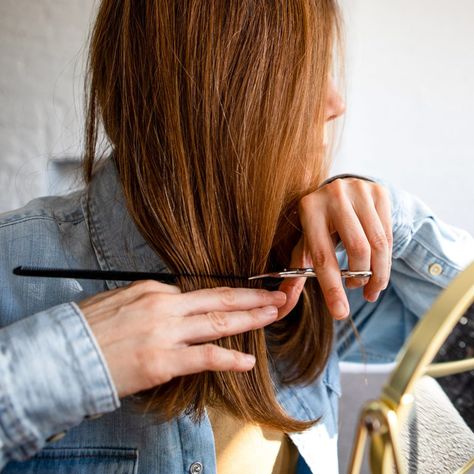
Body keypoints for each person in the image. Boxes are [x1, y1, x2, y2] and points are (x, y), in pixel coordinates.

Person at [0, 1, 472, 473]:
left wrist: (394, 227)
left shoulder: (314, 271)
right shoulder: (12, 268)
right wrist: (74, 360)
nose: (335, 103)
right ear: (221, 94)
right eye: (304, 73)